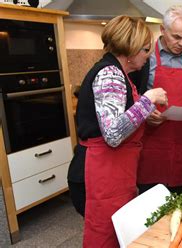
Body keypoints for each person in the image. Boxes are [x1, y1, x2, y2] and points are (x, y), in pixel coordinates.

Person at [69, 15, 168, 246]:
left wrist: (143, 112)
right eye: (145, 49)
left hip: (113, 171)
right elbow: (112, 134)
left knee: (119, 234)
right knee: (106, 236)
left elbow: (117, 118)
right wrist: (147, 100)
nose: (148, 55)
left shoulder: (120, 73)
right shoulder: (110, 74)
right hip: (99, 172)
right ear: (130, 49)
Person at [136, 5, 182, 194]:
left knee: (180, 199)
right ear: (162, 30)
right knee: (151, 202)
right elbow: (131, 96)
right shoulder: (145, 57)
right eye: (176, 37)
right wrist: (145, 112)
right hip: (153, 140)